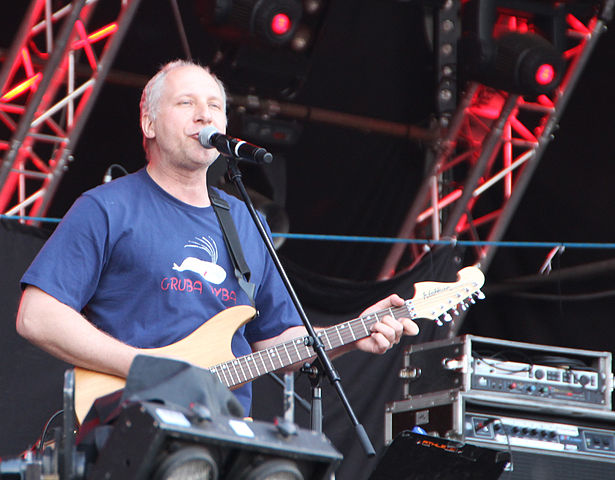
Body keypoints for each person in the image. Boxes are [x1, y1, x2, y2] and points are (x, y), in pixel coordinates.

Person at [15, 60, 419, 418]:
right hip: (127, 420)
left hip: (223, 429)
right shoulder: (107, 207)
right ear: (149, 124)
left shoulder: (247, 222)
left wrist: (354, 333)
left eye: (214, 106)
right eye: (186, 103)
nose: (203, 115)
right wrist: (143, 367)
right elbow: (37, 316)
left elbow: (277, 342)